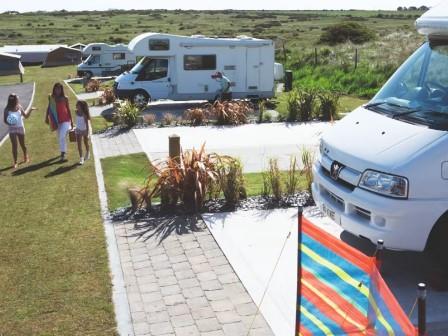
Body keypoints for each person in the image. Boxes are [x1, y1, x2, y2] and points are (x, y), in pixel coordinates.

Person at [3, 94, 35, 169]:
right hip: (12, 129)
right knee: (14, 146)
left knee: (22, 145)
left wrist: (30, 110)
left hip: (20, 128)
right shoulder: (7, 109)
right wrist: (11, 122)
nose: (18, 100)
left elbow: (26, 116)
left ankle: (25, 156)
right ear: (12, 100)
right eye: (17, 99)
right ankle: (15, 162)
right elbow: (5, 120)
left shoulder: (19, 107)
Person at [45, 83, 73, 162]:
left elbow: (68, 109)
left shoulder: (65, 98)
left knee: (61, 136)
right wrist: (46, 117)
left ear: (62, 90)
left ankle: (63, 153)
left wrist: (72, 122)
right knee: (60, 137)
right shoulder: (51, 98)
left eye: (59, 89)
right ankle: (62, 152)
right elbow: (49, 107)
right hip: (56, 121)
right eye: (56, 89)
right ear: (54, 89)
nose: (58, 90)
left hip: (66, 120)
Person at [74, 100, 91, 165]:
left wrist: (87, 132)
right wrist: (75, 126)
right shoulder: (76, 112)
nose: (76, 106)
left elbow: (87, 124)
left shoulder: (84, 115)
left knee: (85, 142)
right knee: (79, 144)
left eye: (78, 105)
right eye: (76, 105)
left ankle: (88, 152)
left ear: (81, 106)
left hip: (84, 130)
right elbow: (78, 120)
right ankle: (81, 158)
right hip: (78, 130)